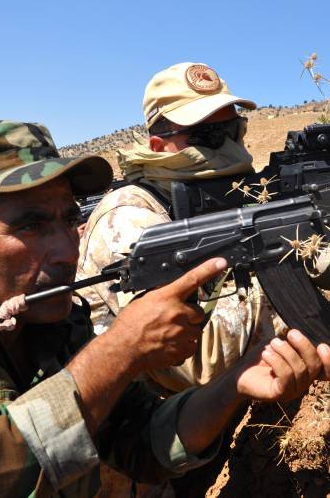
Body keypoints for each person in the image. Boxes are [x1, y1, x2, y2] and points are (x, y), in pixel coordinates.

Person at [0, 120, 330, 496]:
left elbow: (141, 441)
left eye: (69, 219)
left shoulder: (45, 319)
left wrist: (234, 384)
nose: (68, 249)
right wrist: (119, 351)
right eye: (30, 226)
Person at [78, 62, 286, 394]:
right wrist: (302, 263)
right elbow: (195, 363)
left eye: (234, 131)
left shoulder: (231, 195)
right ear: (159, 145)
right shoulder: (128, 214)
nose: (229, 147)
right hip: (149, 427)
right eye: (209, 137)